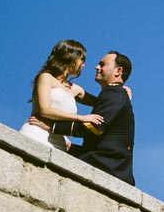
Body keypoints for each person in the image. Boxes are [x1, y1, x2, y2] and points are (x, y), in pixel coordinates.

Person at [29, 51, 135, 185]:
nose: (96, 67)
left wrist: (53, 126)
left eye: (102, 64)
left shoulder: (114, 94)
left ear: (118, 71)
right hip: (107, 165)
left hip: (108, 167)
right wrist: (72, 148)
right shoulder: (115, 94)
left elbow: (95, 127)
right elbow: (98, 140)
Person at [19, 39, 104, 149]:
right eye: (82, 59)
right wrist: (80, 118)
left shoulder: (76, 89)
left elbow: (103, 102)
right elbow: (45, 110)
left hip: (58, 142)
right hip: (37, 133)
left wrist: (119, 89)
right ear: (71, 56)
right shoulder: (46, 78)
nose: (84, 65)